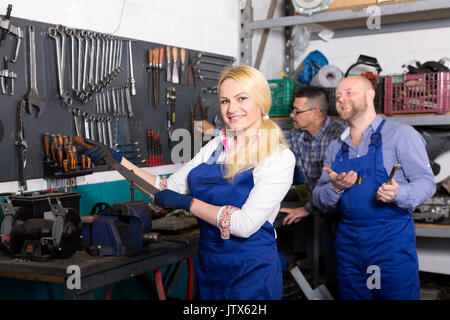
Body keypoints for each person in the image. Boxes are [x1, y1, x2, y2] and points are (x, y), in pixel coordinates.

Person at [84, 65, 296, 300]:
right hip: (211, 267)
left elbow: (244, 224)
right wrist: (117, 161)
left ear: (261, 100)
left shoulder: (278, 156)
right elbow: (167, 190)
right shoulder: (216, 147)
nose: (231, 108)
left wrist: (189, 203)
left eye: (241, 98)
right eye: (225, 101)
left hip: (252, 274)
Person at [312, 75, 436, 300]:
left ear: (370, 95)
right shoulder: (335, 147)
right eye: (338, 95)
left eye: (349, 92)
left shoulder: (401, 135)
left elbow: (427, 183)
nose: (342, 99)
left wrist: (400, 192)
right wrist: (335, 188)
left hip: (390, 244)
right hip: (349, 245)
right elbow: (319, 198)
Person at [279, 86, 345, 298]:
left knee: (348, 272)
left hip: (349, 216)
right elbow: (258, 139)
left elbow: (341, 187)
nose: (291, 115)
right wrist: (214, 132)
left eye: (297, 111)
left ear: (316, 113)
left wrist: (306, 209)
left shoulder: (341, 137)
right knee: (332, 268)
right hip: (325, 212)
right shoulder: (299, 137)